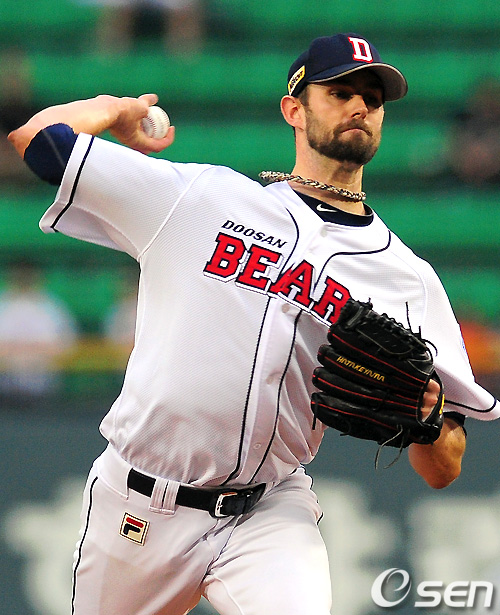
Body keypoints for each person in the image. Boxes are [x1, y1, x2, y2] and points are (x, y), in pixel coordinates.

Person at [7, 32, 499, 615]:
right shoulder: (202, 199)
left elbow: (445, 466)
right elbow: (37, 140)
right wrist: (114, 110)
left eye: (372, 98)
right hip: (138, 501)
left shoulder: (407, 279)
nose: (359, 106)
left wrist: (427, 422)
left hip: (269, 511)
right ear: (294, 109)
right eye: (339, 92)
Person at [0, 258, 78, 403]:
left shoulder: (53, 308)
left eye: (27, 274)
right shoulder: (3, 305)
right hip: (4, 392)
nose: (23, 279)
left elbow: (68, 347)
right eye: (19, 274)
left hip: (46, 392)